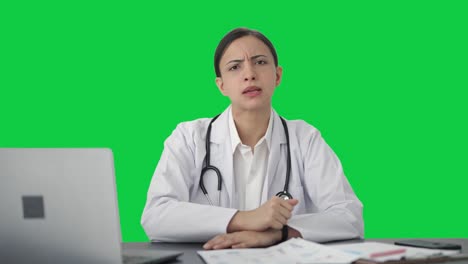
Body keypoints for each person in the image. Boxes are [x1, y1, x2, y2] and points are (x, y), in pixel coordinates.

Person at [141, 27, 364, 250]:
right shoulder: (188, 137)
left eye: (259, 62)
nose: (249, 74)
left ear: (277, 76)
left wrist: (279, 233)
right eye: (235, 67)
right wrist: (246, 219)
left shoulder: (305, 138)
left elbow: (349, 216)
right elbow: (156, 215)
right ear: (221, 85)